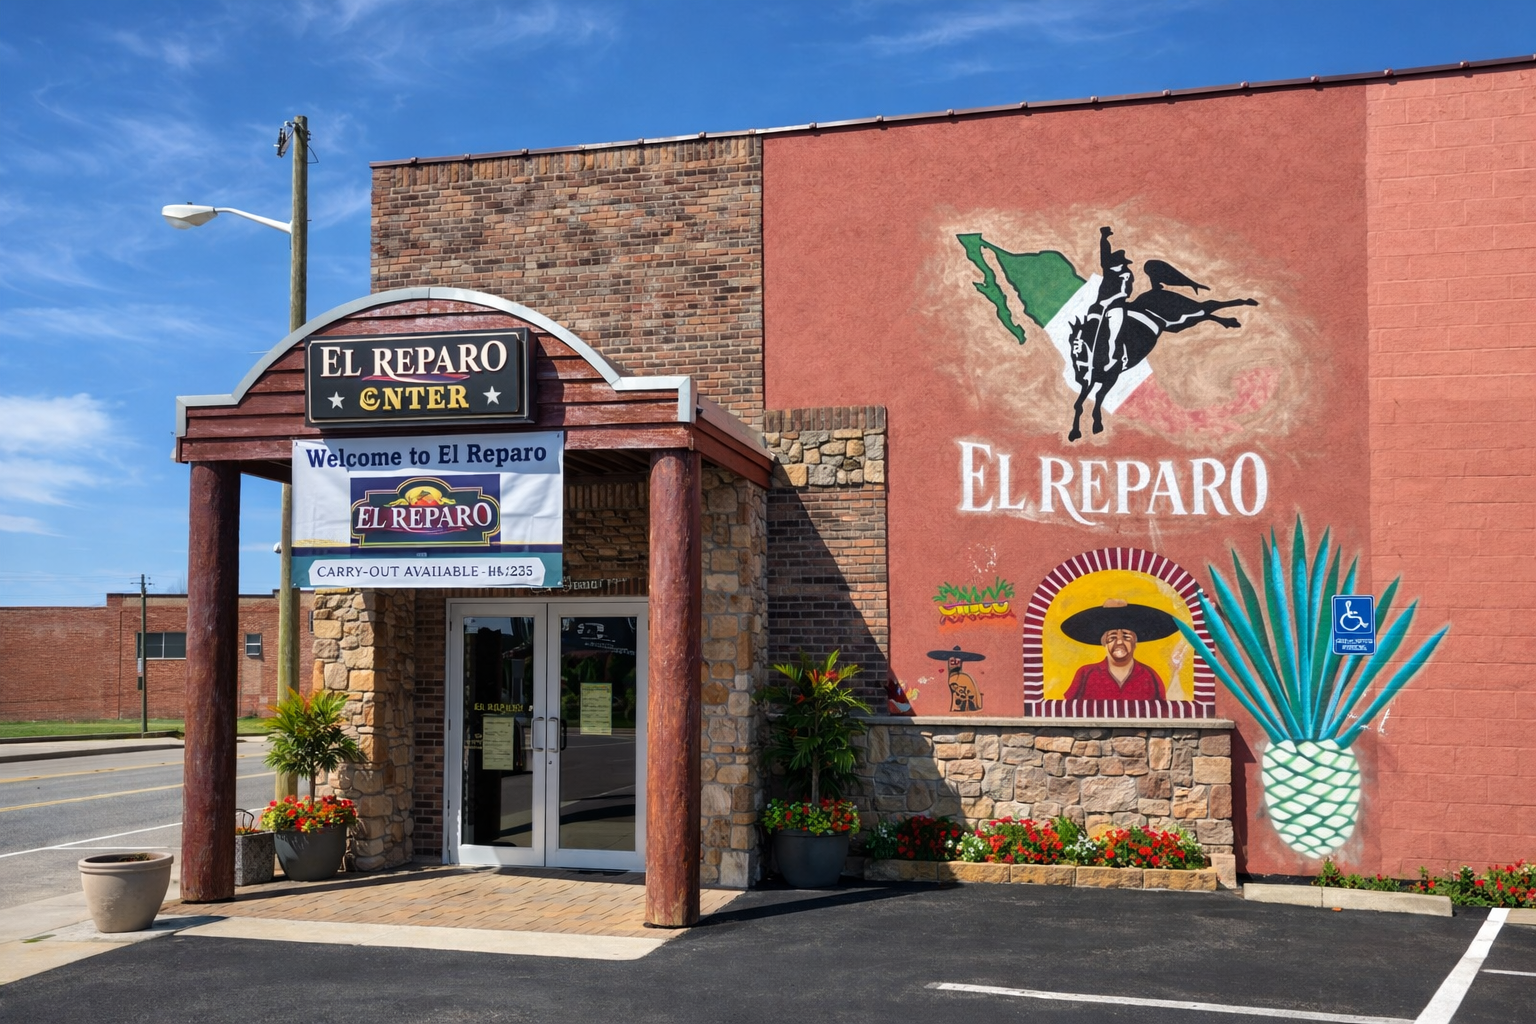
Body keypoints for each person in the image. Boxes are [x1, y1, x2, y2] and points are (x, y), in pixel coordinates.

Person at [1058, 598, 1187, 703]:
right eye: (1112, 637)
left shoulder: (1149, 675)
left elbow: (1165, 710)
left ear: (1134, 643)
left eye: (1126, 637)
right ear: (1104, 643)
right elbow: (1067, 709)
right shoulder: (1085, 674)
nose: (1119, 642)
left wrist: (1175, 672)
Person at [926, 645, 984, 712]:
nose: (954, 664)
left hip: (967, 702)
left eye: (957, 661)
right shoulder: (955, 677)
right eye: (952, 661)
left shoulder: (959, 677)